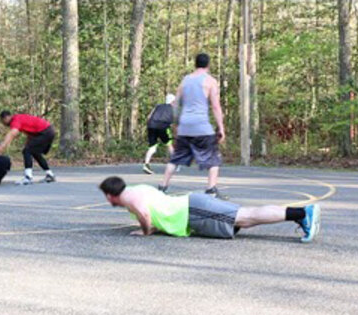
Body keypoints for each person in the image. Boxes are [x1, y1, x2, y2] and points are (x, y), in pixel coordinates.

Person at [99, 176, 321, 243]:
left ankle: (302, 213)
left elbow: (144, 214)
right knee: (247, 218)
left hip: (192, 210)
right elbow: (152, 208)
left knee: (246, 216)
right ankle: (300, 215)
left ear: (111, 195)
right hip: (192, 208)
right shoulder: (136, 188)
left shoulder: (128, 198)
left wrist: (146, 231)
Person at [159, 53, 227, 199]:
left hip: (185, 126)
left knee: (176, 158)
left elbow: (176, 104)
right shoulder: (210, 81)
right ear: (208, 65)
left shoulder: (185, 80)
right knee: (213, 157)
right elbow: (215, 106)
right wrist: (221, 127)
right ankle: (211, 189)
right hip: (201, 126)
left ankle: (162, 187)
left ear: (195, 64)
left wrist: (176, 123)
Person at [0, 110, 56, 185]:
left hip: (45, 132)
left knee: (27, 151)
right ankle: (50, 174)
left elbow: (13, 133)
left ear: (6, 118)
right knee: (34, 152)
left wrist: (2, 145)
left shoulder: (15, 120)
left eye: (3, 121)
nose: (3, 123)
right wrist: (27, 144)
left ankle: (28, 177)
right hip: (48, 131)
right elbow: (31, 132)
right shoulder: (19, 118)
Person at [143, 94, 177, 175]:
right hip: (163, 126)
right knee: (169, 144)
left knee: (152, 147)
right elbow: (175, 122)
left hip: (151, 126)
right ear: (172, 101)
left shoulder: (158, 106)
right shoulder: (174, 109)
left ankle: (146, 164)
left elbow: (149, 117)